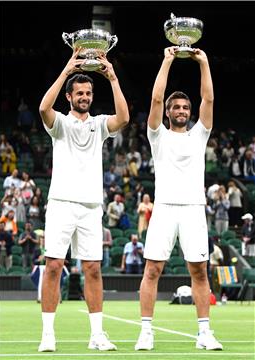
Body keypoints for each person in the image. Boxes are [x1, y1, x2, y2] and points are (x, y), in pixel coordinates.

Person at [38, 47, 129, 352]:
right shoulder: (60, 124)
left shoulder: (100, 124)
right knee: (53, 266)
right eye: (79, 93)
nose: (85, 97)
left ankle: (97, 335)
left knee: (93, 269)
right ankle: (48, 335)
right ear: (70, 96)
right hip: (61, 203)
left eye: (88, 92)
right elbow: (42, 108)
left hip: (91, 206)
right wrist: (67, 69)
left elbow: (124, 118)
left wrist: (112, 77)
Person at [135, 46, 223, 351]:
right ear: (170, 112)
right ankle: (146, 331)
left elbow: (208, 99)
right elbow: (156, 98)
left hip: (194, 210)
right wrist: (168, 59)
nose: (183, 111)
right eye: (178, 107)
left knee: (199, 271)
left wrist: (204, 62)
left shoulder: (199, 134)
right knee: (152, 270)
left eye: (186, 107)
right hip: (164, 209)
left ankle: (204, 333)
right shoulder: (157, 135)